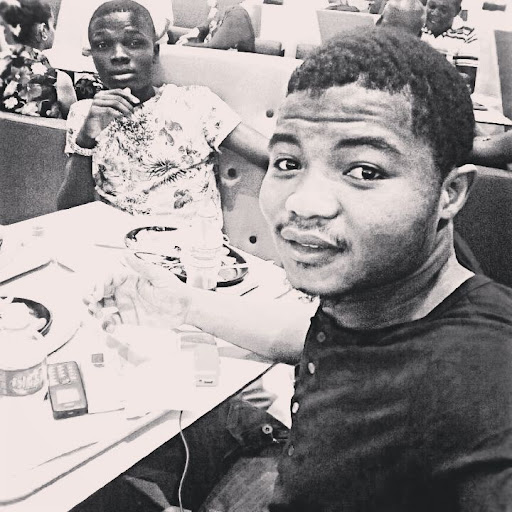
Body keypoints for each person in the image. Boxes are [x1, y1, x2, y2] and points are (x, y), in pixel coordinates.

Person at [85, 27, 512, 511]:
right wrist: (181, 302)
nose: (303, 203)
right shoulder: (385, 300)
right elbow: (305, 332)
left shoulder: (482, 380)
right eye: (288, 163)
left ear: (450, 193)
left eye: (364, 171)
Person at [57, 0, 268, 226]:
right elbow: (69, 213)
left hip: (188, 245)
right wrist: (85, 141)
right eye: (102, 45)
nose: (118, 55)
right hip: (114, 242)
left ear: (154, 52)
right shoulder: (85, 115)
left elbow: (270, 154)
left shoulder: (194, 103)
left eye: (134, 42)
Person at [0, 0, 76, 118]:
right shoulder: (59, 80)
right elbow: (74, 124)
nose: (54, 31)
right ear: (43, 30)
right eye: (53, 26)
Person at [175, 0, 258, 53]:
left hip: (230, 68)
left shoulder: (236, 14)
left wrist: (185, 45)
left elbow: (215, 48)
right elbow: (208, 25)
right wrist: (198, 30)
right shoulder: (222, 11)